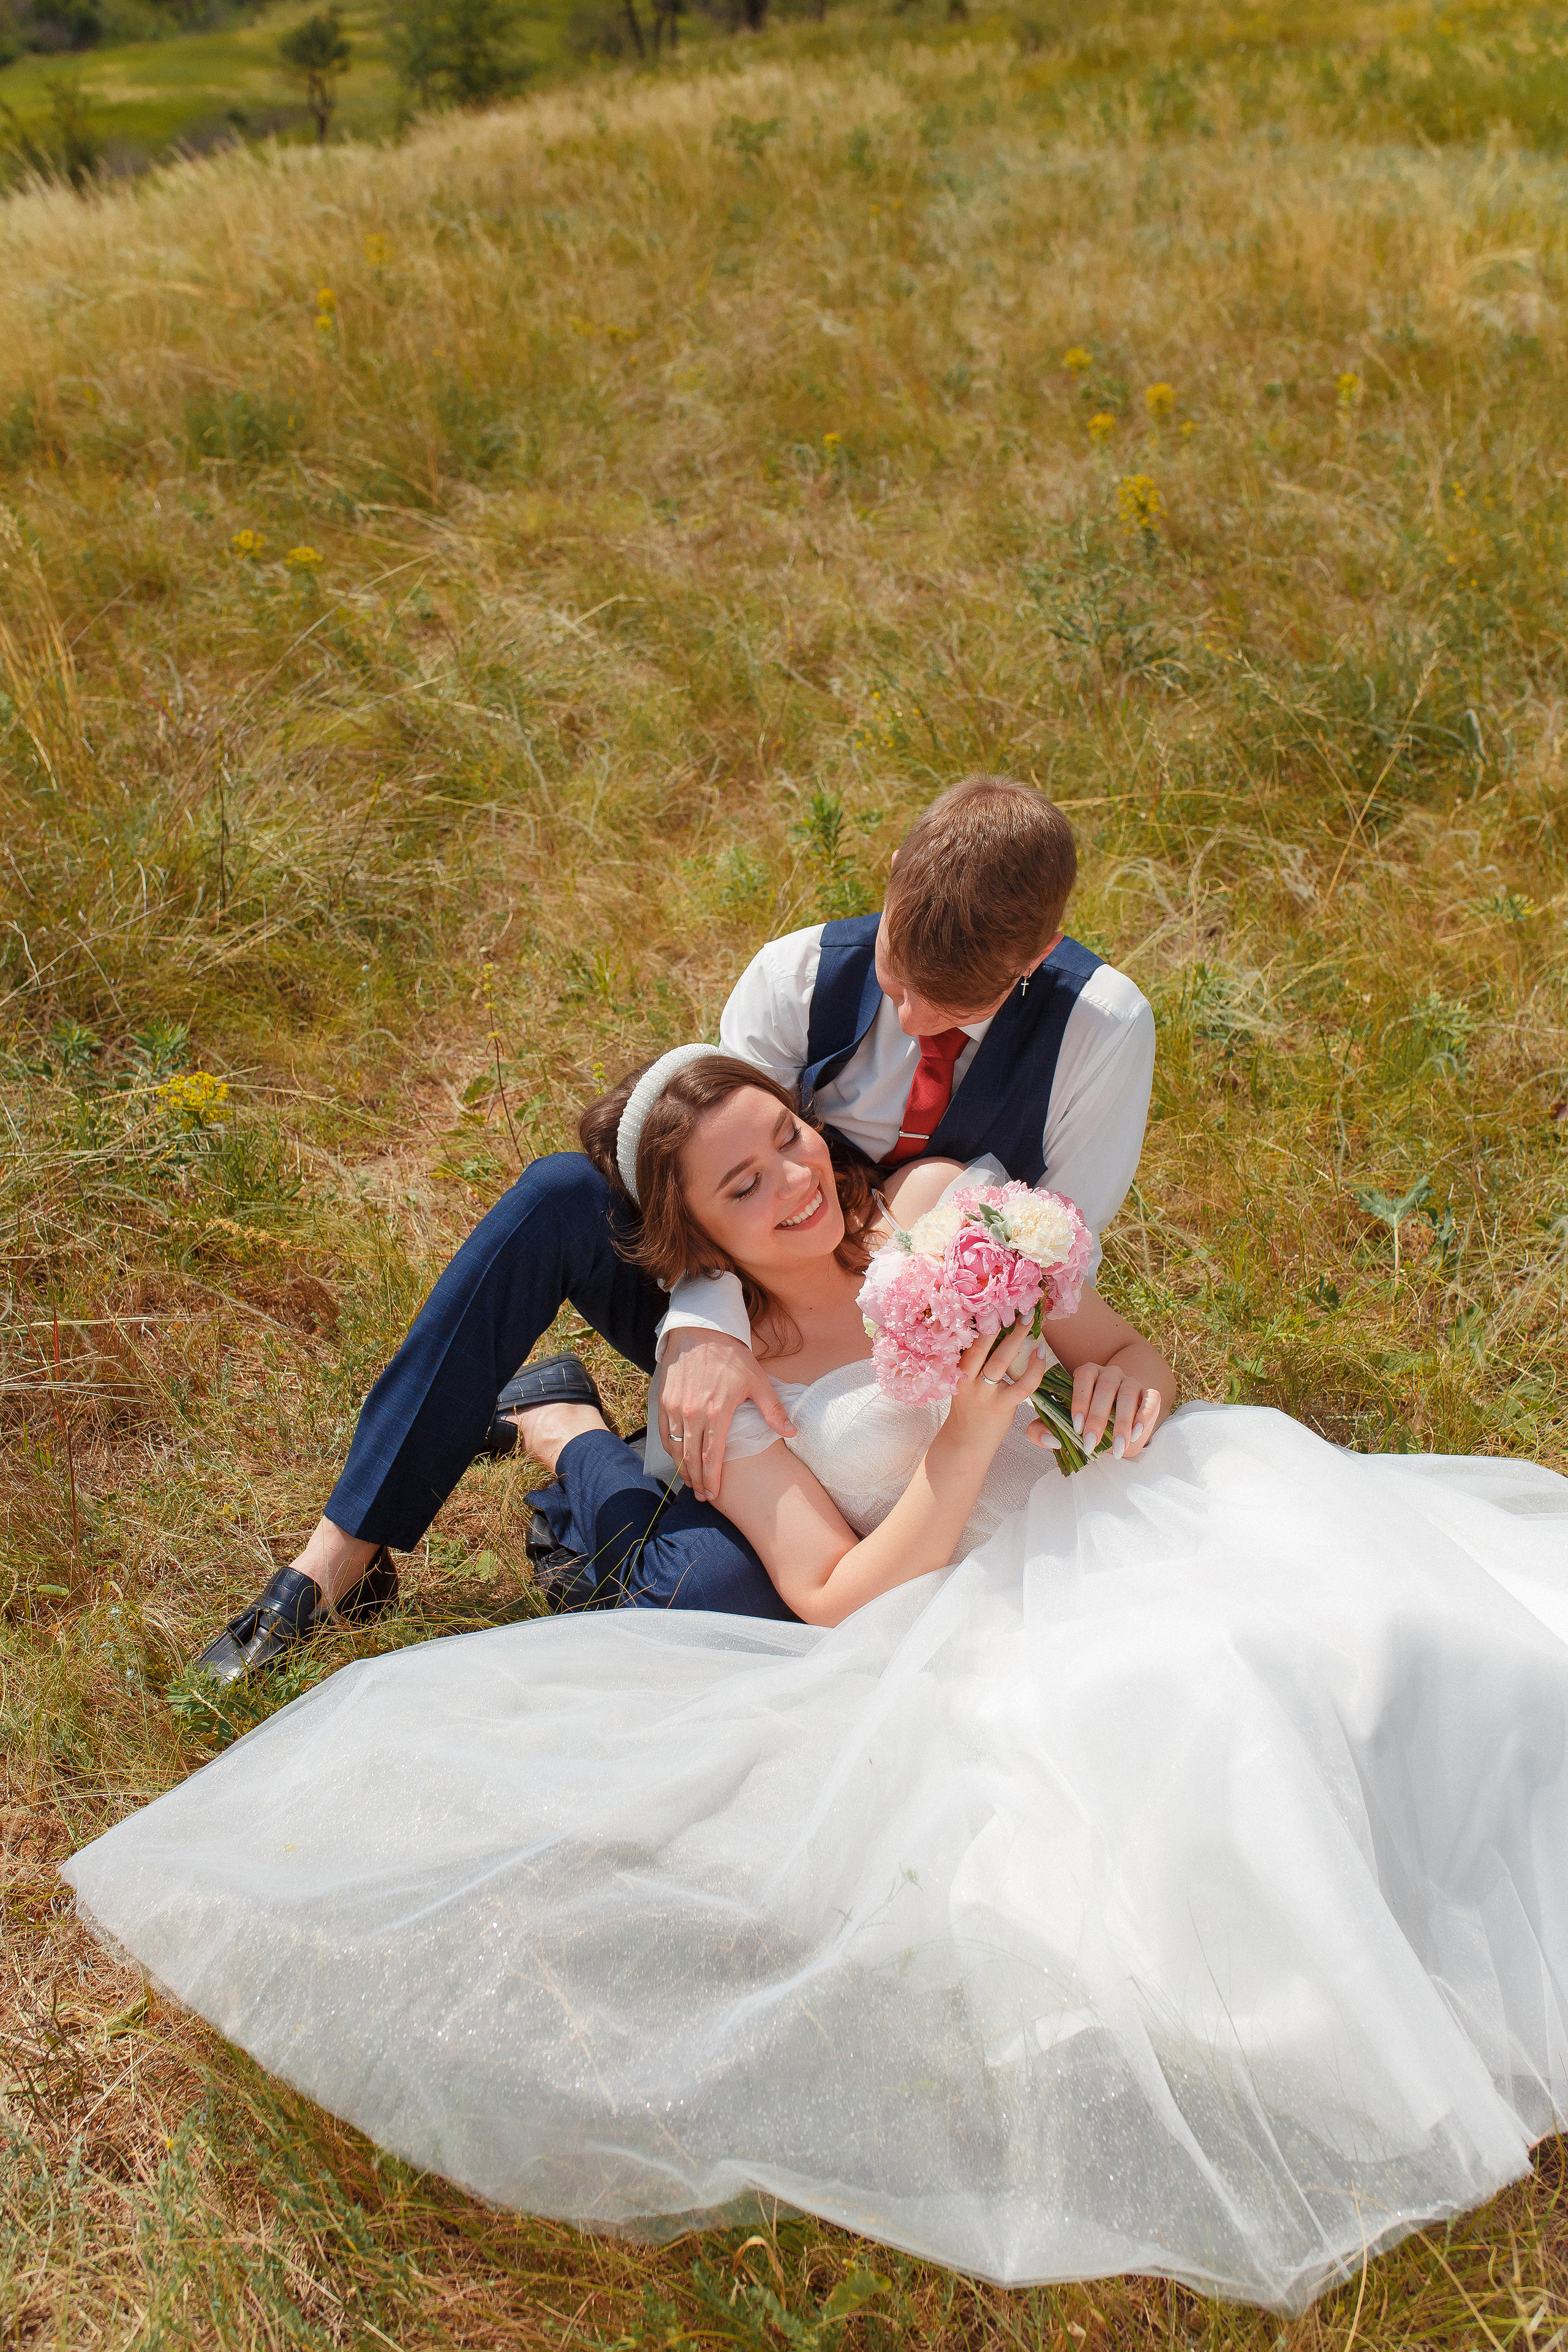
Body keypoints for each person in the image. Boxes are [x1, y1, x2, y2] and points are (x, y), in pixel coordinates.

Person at [69, 1050, 1568, 2311]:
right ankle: (554, 1448)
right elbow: (835, 1597)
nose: (793, 1181)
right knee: (1185, 1734)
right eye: (743, 1184)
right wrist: (968, 1443)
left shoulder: (932, 1207)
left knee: (1412, 1637)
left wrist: (1120, 1387)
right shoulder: (739, 1383)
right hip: (966, 1590)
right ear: (694, 1242)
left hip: (1131, 1508)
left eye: (786, 1139)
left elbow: (1123, 1348)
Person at [190, 775, 1155, 1677]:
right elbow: (703, 1168)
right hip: (751, 1303)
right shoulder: (798, 977)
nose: (905, 1018)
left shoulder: (1099, 1032)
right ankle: (341, 1554)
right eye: (897, 976)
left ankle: (565, 1430)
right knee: (560, 1196)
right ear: (895, 880)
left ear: (1032, 962)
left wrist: (1041, 1372)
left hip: (930, 1308)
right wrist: (705, 1330)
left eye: (945, 1010)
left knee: (716, 1601)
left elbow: (1053, 1248)